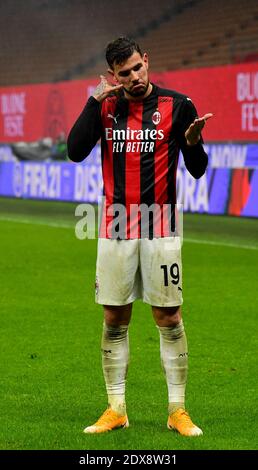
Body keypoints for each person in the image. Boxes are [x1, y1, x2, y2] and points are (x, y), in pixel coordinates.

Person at [67, 37, 212, 436]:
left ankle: (177, 410)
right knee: (114, 316)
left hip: (161, 225)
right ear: (112, 75)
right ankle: (116, 408)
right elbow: (75, 151)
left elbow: (198, 169)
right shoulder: (107, 106)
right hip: (116, 223)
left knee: (168, 316)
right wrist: (93, 101)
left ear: (147, 61)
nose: (133, 77)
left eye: (137, 68)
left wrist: (194, 144)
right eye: (123, 72)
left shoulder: (178, 106)